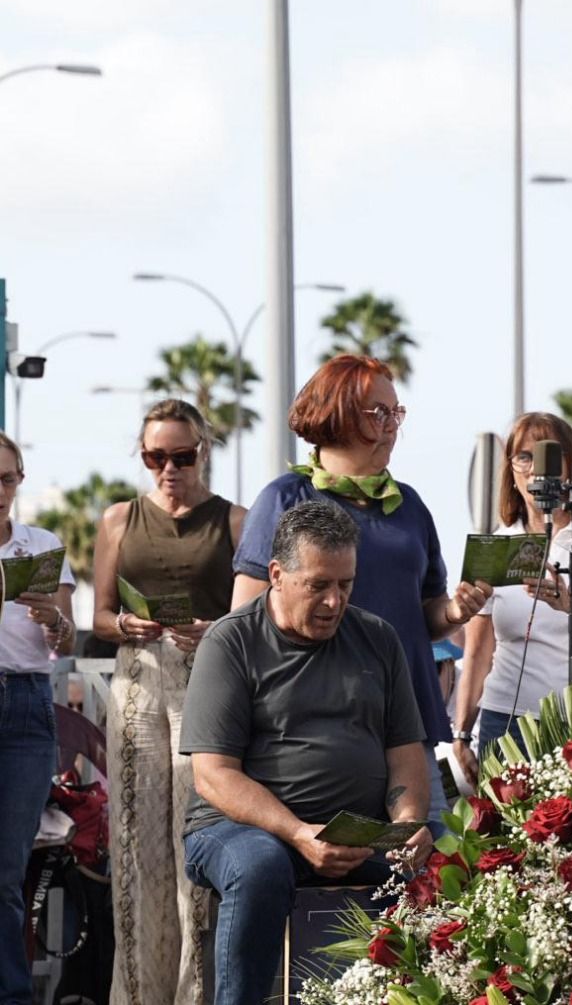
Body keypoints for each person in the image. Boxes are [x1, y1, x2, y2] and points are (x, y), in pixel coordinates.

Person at [181, 500, 432, 1005]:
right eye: (319, 585)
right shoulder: (230, 642)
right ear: (276, 575)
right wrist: (299, 833)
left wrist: (405, 828)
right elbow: (214, 775)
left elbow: (406, 755)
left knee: (434, 872)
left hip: (353, 832)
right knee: (261, 868)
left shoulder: (378, 639)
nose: (335, 601)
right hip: (238, 829)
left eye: (346, 585)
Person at [231, 355, 486, 837]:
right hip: (318, 732)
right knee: (331, 881)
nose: (392, 427)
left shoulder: (409, 505)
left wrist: (455, 611)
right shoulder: (286, 498)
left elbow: (427, 612)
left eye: (396, 413)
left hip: (406, 728)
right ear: (339, 414)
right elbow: (244, 617)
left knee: (429, 875)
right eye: (378, 414)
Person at [89, 399, 245, 1005]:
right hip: (137, 681)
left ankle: (197, 993)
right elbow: (99, 615)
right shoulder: (119, 520)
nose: (169, 470)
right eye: (157, 457)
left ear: (202, 452)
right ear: (144, 455)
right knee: (133, 845)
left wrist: (215, 629)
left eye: (181, 456)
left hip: (207, 680)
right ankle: (135, 993)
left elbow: (251, 611)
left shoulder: (234, 520)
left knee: (196, 840)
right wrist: (125, 624)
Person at [454, 413, 572, 783]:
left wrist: (571, 604)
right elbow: (477, 652)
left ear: (571, 464)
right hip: (509, 722)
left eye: (549, 455)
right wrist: (462, 732)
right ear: (511, 471)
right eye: (524, 457)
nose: (537, 469)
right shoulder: (498, 542)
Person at [0, 432, 76, 1005]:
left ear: (20, 480)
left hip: (25, 703)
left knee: (7, 872)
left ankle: (14, 995)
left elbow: (64, 639)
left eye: (6, 478)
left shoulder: (40, 545)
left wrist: (54, 619)